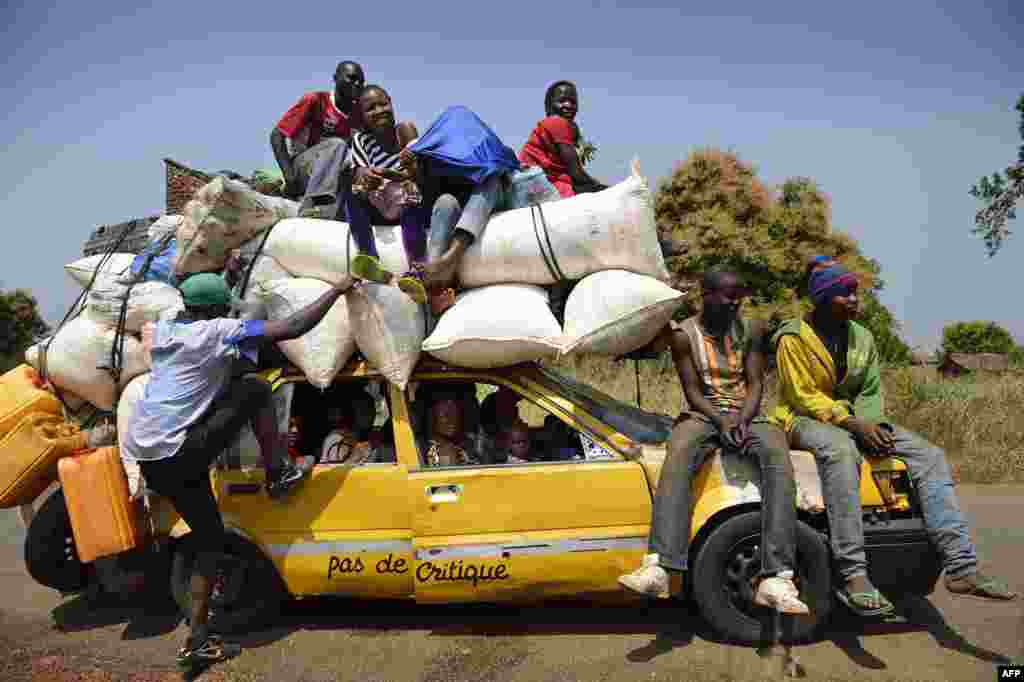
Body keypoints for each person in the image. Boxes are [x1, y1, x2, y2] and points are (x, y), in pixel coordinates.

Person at [121, 272, 355, 674]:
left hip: (149, 456)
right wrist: (337, 289)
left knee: (210, 539)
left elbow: (206, 331)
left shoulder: (164, 329)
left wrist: (225, 278)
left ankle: (197, 639)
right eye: (222, 305)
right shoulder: (216, 331)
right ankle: (277, 472)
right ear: (214, 310)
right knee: (256, 389)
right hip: (179, 452)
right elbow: (293, 327)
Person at [771, 261, 1017, 615]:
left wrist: (874, 426)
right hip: (802, 419)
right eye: (845, 293)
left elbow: (870, 391)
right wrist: (854, 426)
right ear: (823, 298)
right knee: (841, 452)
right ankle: (853, 574)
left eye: (855, 292)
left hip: (856, 420)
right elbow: (803, 395)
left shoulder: (863, 337)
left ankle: (961, 566)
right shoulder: (793, 338)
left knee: (929, 456)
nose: (854, 299)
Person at [618, 269, 809, 615]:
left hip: (747, 413)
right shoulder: (682, 336)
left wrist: (743, 419)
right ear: (704, 294)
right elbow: (693, 392)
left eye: (739, 296)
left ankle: (776, 576)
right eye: (727, 295)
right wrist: (721, 421)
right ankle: (660, 565)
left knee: (777, 456)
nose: (735, 302)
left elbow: (755, 384)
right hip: (704, 414)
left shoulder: (752, 329)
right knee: (679, 452)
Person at [341, 84, 431, 303]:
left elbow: (416, 172)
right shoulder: (361, 141)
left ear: (391, 103)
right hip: (380, 203)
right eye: (371, 108)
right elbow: (361, 171)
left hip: (407, 203)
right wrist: (366, 179)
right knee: (352, 194)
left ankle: (418, 269)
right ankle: (370, 258)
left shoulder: (405, 131)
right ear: (362, 116)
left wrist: (400, 173)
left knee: (412, 195)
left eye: (383, 104)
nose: (379, 110)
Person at [271, 60, 366, 212]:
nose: (357, 84)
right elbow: (277, 135)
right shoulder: (315, 101)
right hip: (303, 167)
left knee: (355, 164)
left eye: (361, 82)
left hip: (334, 174)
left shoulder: (358, 114)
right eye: (352, 78)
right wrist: (289, 176)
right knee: (337, 144)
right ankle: (314, 205)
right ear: (336, 78)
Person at [518, 80, 608, 198]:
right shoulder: (557, 123)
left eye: (573, 102)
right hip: (542, 185)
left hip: (540, 182)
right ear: (549, 105)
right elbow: (576, 172)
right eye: (562, 101)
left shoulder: (563, 126)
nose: (568, 105)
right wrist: (601, 187)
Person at [423, 390, 483, 467]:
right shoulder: (440, 450)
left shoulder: (470, 443)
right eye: (443, 415)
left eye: (454, 414)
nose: (451, 419)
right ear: (431, 416)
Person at [320, 388, 376, 465]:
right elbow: (333, 472)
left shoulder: (367, 436)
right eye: (363, 410)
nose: (370, 415)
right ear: (351, 412)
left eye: (372, 409)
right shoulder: (336, 438)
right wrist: (355, 456)